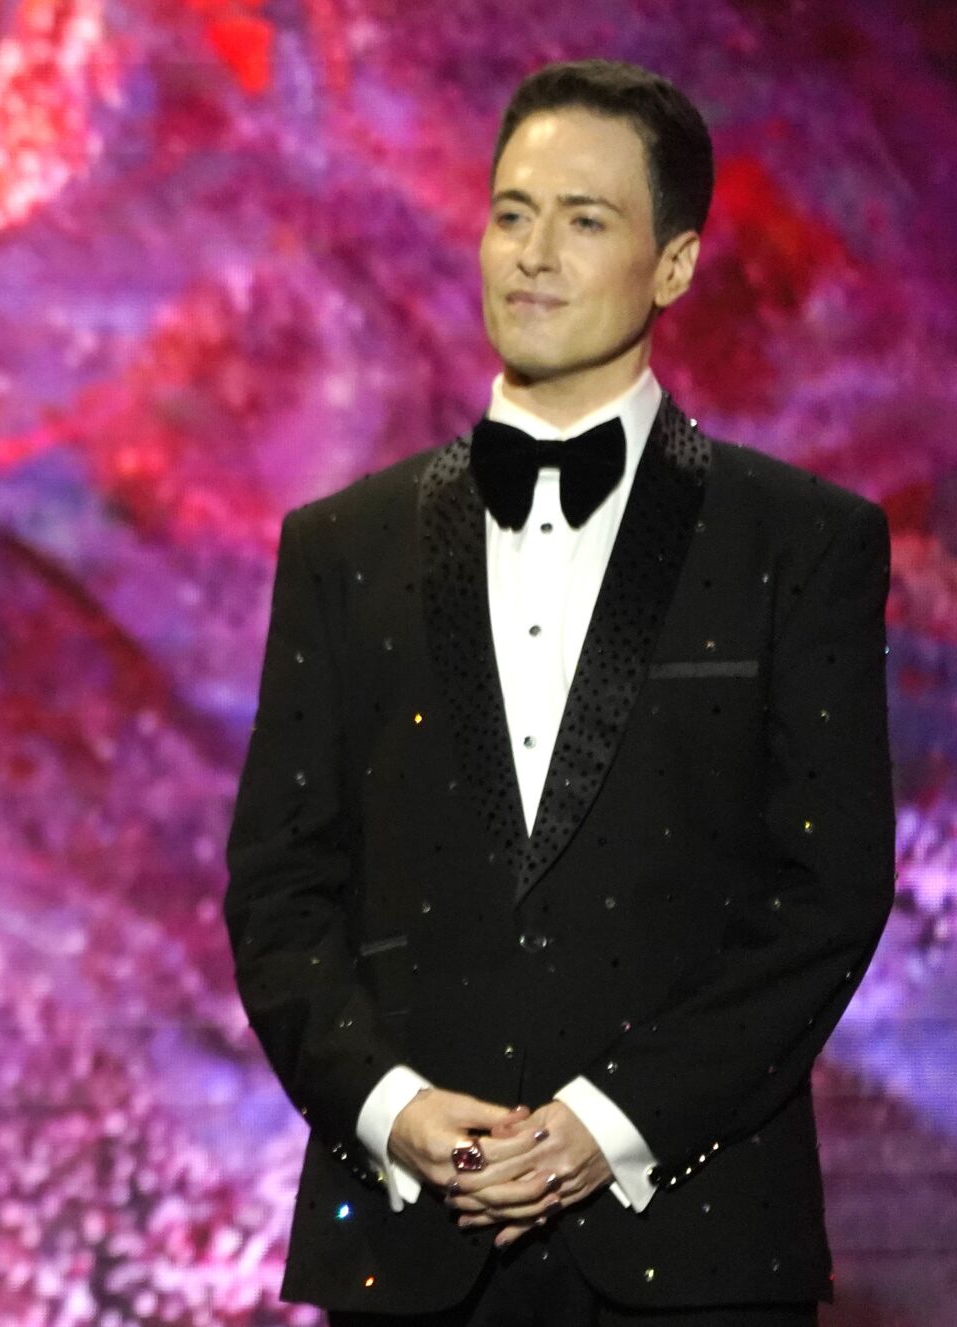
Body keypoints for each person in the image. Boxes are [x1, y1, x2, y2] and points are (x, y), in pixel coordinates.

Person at [225, 59, 893, 1324]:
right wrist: (390, 1109)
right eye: (510, 212)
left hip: (691, 1252)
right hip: (413, 1254)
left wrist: (610, 1123)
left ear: (676, 264)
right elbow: (278, 883)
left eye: (584, 220)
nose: (531, 254)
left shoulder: (795, 542)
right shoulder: (340, 546)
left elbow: (825, 893)